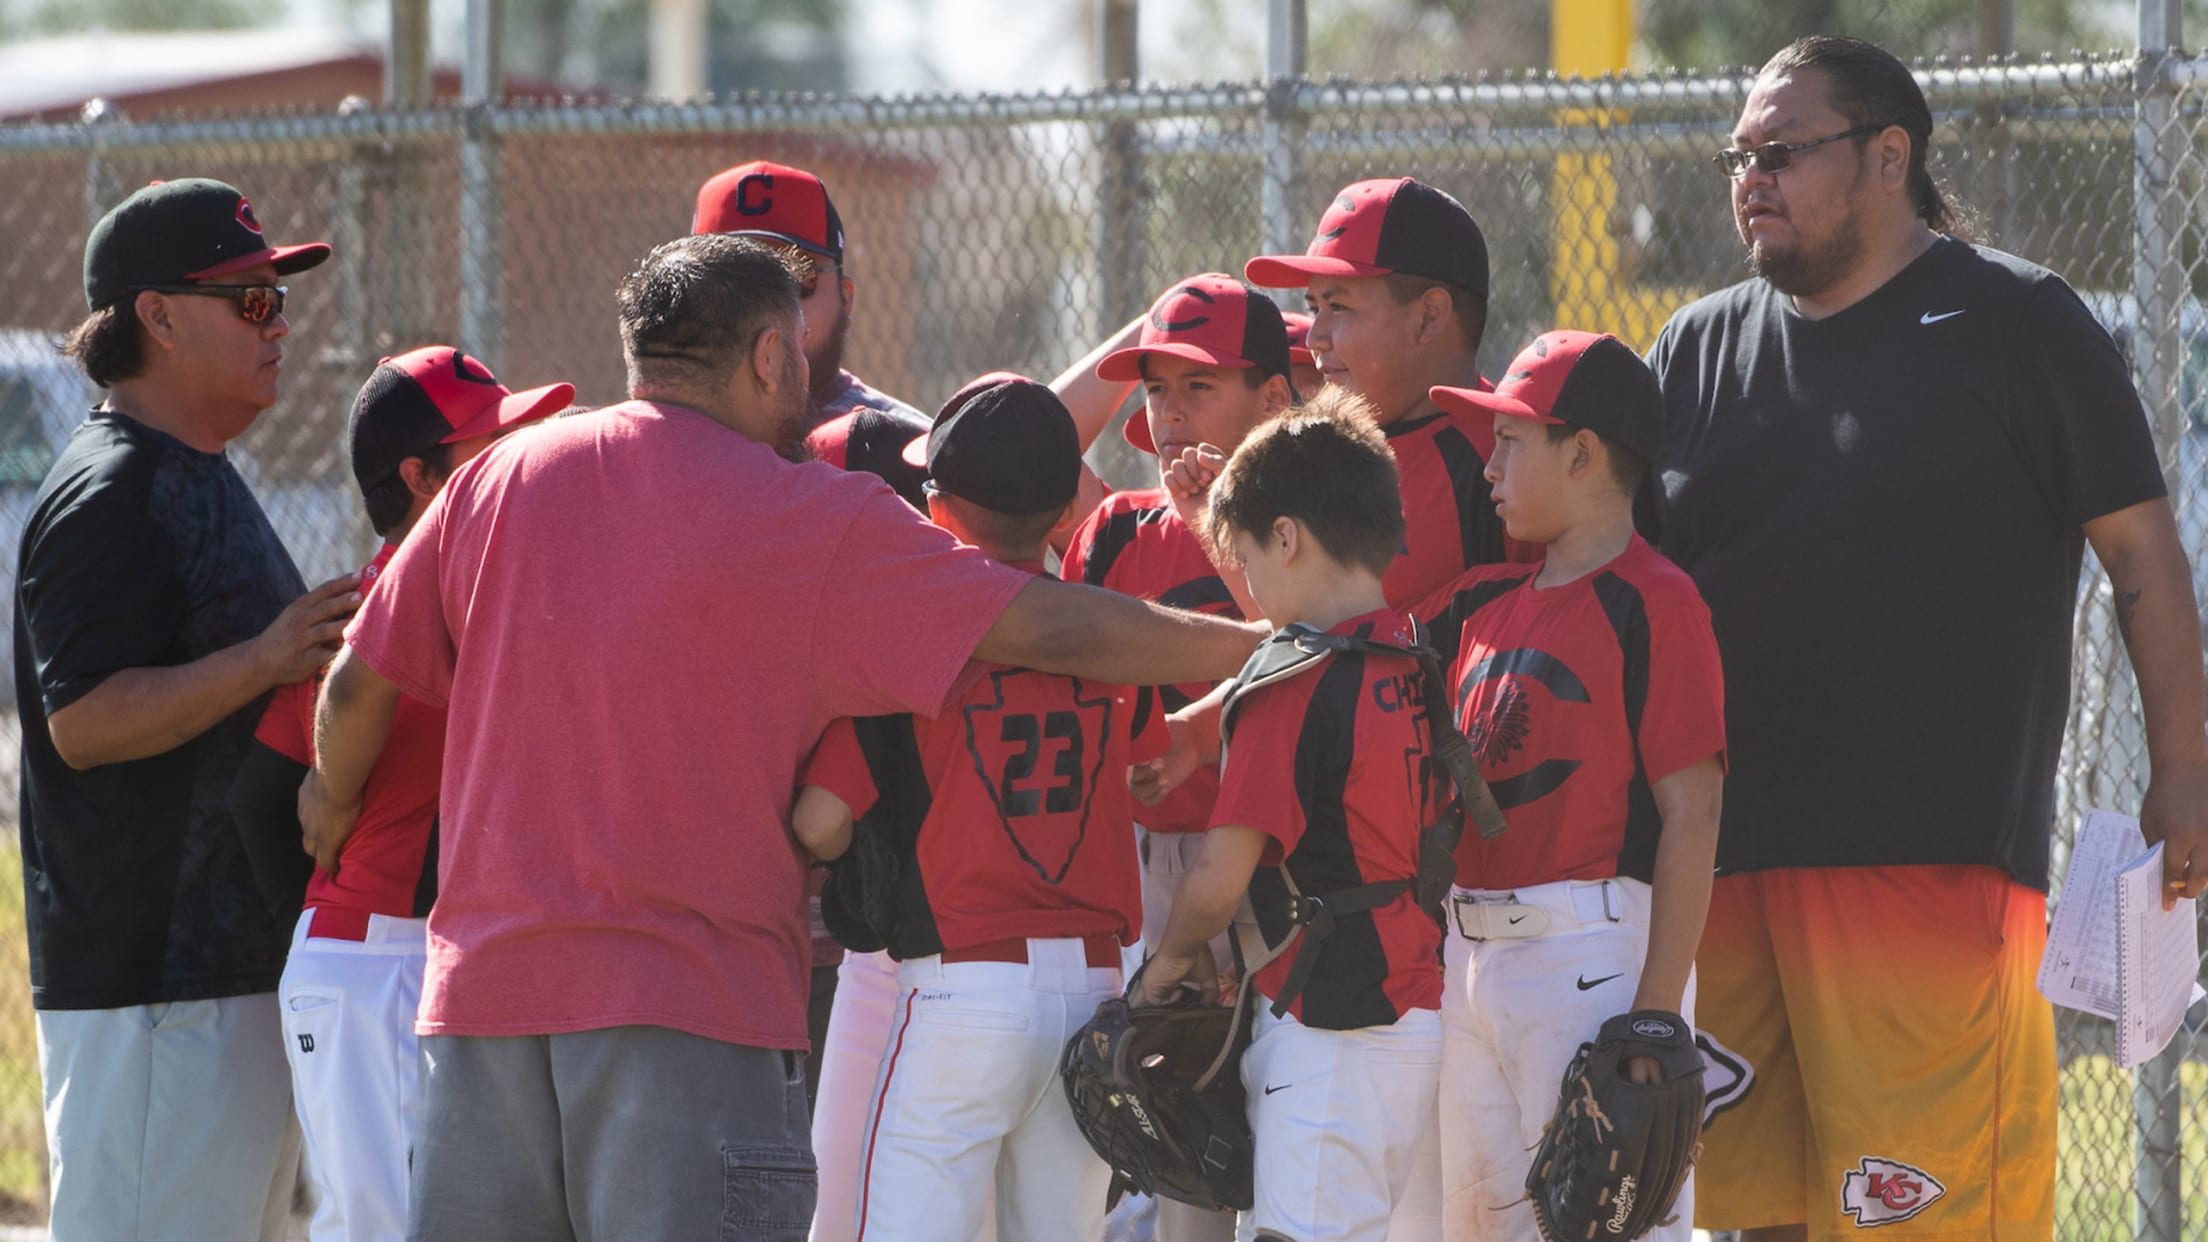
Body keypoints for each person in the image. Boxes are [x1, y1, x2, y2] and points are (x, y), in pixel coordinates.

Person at [298, 233, 1264, 1241]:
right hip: (691, 1005)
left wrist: (329, 795)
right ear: (767, 356)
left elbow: (361, 685)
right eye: (797, 355)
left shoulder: (494, 481)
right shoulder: (809, 510)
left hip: (481, 1003)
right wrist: (1268, 643)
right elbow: (1053, 624)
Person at [1647, 35, 2208, 1240]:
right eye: (1738, 155)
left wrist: (2185, 770)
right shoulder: (1696, 347)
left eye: (1782, 151)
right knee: (1757, 1220)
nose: (1751, 176)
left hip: (1929, 876)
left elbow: (2145, 563)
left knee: (1923, 1222)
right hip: (1720, 876)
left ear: (1887, 156)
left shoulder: (2019, 322)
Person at [13, 177, 349, 1241]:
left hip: (228, 983)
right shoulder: (110, 485)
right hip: (155, 993)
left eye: (279, 298)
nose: (280, 323)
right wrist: (262, 659)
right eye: (250, 299)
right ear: (155, 317)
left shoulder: (194, 469)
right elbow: (83, 722)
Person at [794, 374, 1160, 1242]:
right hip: (1091, 991)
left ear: (940, 510)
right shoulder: (1109, 638)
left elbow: (819, 821)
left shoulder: (913, 645)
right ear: (1069, 507)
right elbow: (1149, 767)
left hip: (964, 993)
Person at [226, 347, 572, 1242]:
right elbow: (263, 797)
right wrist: (324, 941)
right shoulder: (391, 608)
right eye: (488, 444)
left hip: (408, 957)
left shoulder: (448, 591)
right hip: (372, 959)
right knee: (379, 1229)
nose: (516, 457)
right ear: (420, 477)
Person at [1412, 332, 1725, 1242]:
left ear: (1582, 453)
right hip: (1467, 956)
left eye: (1512, 441)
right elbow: (1333, 639)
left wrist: (1659, 1011)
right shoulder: (1479, 602)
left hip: (1589, 954)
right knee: (1477, 1228)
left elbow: (1694, 815)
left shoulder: (1655, 599)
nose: (1490, 467)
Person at [1137, 391, 1445, 1242]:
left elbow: (1218, 878)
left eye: (1245, 556)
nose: (1249, 584)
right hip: (1417, 1013)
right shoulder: (1417, 654)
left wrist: (1168, 963)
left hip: (1330, 1024)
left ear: (1287, 537)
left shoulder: (1289, 679)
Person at [1057, 272, 1294, 1242]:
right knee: (1180, 1127)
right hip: (1147, 868)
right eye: (1154, 388)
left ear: (1273, 400)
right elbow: (1027, 440)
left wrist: (1218, 529)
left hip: (1279, 869)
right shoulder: (1116, 529)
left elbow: (1307, 646)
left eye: (1199, 385)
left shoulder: (1301, 529)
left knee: (1282, 1120)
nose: (1168, 411)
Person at [1244, 175, 1536, 607]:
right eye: (1313, 308)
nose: (1314, 338)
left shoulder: (1504, 466)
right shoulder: (1307, 453)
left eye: (1339, 307)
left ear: (1429, 317)